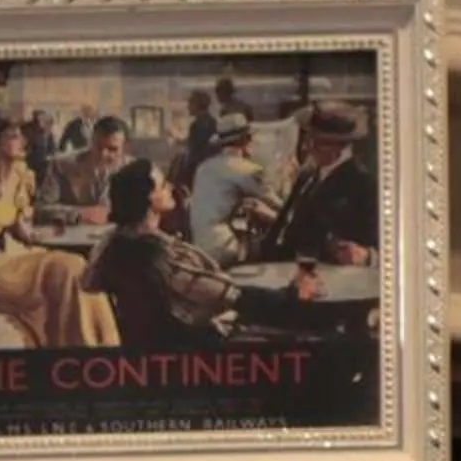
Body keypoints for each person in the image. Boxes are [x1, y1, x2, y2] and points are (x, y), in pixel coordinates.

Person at [0, 107, 114, 347]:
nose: (23, 141)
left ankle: (103, 346)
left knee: (77, 267)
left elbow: (20, 228)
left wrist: (35, 234)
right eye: (14, 136)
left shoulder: (21, 177)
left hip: (11, 253)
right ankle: (85, 348)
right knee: (65, 270)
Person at [82, 158, 239, 343]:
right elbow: (223, 294)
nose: (171, 188)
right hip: (181, 347)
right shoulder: (158, 254)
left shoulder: (110, 245)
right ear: (149, 197)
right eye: (164, 185)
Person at [256, 102, 375, 265]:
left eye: (317, 142)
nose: (306, 147)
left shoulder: (361, 184)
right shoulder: (308, 175)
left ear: (339, 146)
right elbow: (293, 223)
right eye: (307, 138)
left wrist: (367, 256)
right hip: (279, 267)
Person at [186, 109, 277, 265]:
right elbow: (277, 203)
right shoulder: (248, 169)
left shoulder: (203, 167)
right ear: (246, 141)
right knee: (274, 249)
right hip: (225, 248)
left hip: (200, 247)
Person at [50, 115, 127, 210]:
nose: (103, 154)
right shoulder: (61, 166)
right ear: (91, 142)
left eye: (112, 149)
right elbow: (42, 207)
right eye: (98, 147)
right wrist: (81, 215)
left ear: (125, 148)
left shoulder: (136, 172)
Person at [178, 85, 218, 181]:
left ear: (197, 105)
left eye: (190, 103)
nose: (188, 106)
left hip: (198, 169)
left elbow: (195, 150)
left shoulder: (197, 125)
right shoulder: (213, 122)